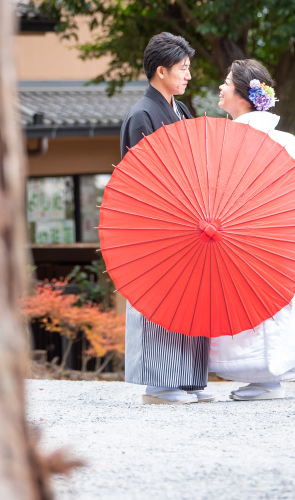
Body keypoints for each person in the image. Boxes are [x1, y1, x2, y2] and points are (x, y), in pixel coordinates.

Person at [209, 58, 295, 402]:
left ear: (243, 95)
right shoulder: (281, 141)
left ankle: (265, 378)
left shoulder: (240, 138)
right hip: (276, 237)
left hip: (248, 236)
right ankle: (266, 377)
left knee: (254, 306)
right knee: (269, 304)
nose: (221, 88)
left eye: (226, 82)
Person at [119, 32, 213, 405]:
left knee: (190, 300)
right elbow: (144, 177)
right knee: (163, 300)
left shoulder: (181, 109)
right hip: (158, 224)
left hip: (187, 220)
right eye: (183, 68)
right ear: (161, 71)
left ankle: (188, 380)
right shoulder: (142, 114)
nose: (188, 75)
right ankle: (159, 385)